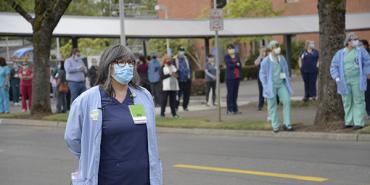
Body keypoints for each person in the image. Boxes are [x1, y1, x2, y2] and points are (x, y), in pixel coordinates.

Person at [64, 45, 163, 185]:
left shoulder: (143, 95)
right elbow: (72, 138)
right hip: (107, 178)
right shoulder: (87, 100)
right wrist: (90, 154)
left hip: (142, 178)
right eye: (121, 62)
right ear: (108, 65)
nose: (127, 67)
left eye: (130, 63)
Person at [330, 32, 370, 130]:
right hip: (344, 80)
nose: (357, 41)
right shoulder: (340, 53)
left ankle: (359, 122)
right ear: (348, 42)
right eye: (354, 39)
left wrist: (365, 74)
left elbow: (368, 62)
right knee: (347, 101)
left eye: (357, 39)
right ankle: (349, 121)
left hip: (357, 79)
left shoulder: (361, 51)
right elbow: (333, 66)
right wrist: (337, 77)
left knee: (358, 100)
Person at [259, 40, 293, 133]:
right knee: (272, 105)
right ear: (271, 49)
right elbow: (262, 75)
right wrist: (265, 86)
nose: (278, 49)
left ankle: (287, 123)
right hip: (271, 86)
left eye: (278, 46)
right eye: (276, 47)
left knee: (287, 100)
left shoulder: (281, 58)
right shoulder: (266, 61)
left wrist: (286, 78)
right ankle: (275, 125)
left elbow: (285, 70)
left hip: (281, 84)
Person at [224, 44, 242, 115]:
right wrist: (236, 64)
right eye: (229, 49)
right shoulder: (226, 57)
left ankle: (235, 109)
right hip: (230, 78)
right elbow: (229, 65)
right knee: (230, 93)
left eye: (232, 48)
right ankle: (229, 109)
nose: (230, 50)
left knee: (235, 94)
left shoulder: (237, 56)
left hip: (237, 77)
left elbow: (240, 65)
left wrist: (236, 64)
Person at [175, 46, 192, 111]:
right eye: (180, 51)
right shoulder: (175, 59)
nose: (182, 52)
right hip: (179, 80)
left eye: (182, 51)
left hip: (187, 79)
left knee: (187, 94)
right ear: (178, 51)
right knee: (178, 94)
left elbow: (190, 68)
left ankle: (185, 106)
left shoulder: (186, 59)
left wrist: (190, 76)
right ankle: (176, 107)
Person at [360, 39, 370, 119]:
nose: (360, 46)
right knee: (366, 95)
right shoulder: (359, 53)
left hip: (368, 77)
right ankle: (368, 112)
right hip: (363, 78)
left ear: (366, 45)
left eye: (361, 45)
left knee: (367, 95)